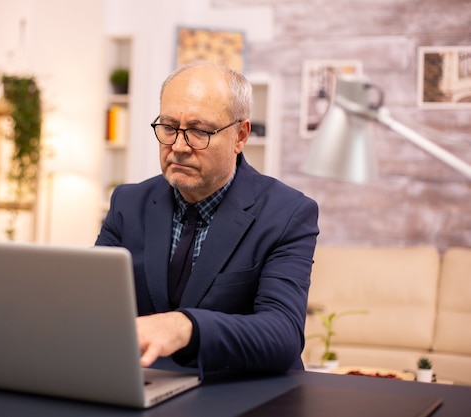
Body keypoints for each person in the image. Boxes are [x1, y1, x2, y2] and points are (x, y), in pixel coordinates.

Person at [95, 61, 319, 375]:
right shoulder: (128, 203)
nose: (179, 146)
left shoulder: (287, 213)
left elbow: (282, 335)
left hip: (243, 395)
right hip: (145, 386)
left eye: (200, 131)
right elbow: (92, 305)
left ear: (240, 136)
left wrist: (185, 327)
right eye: (169, 127)